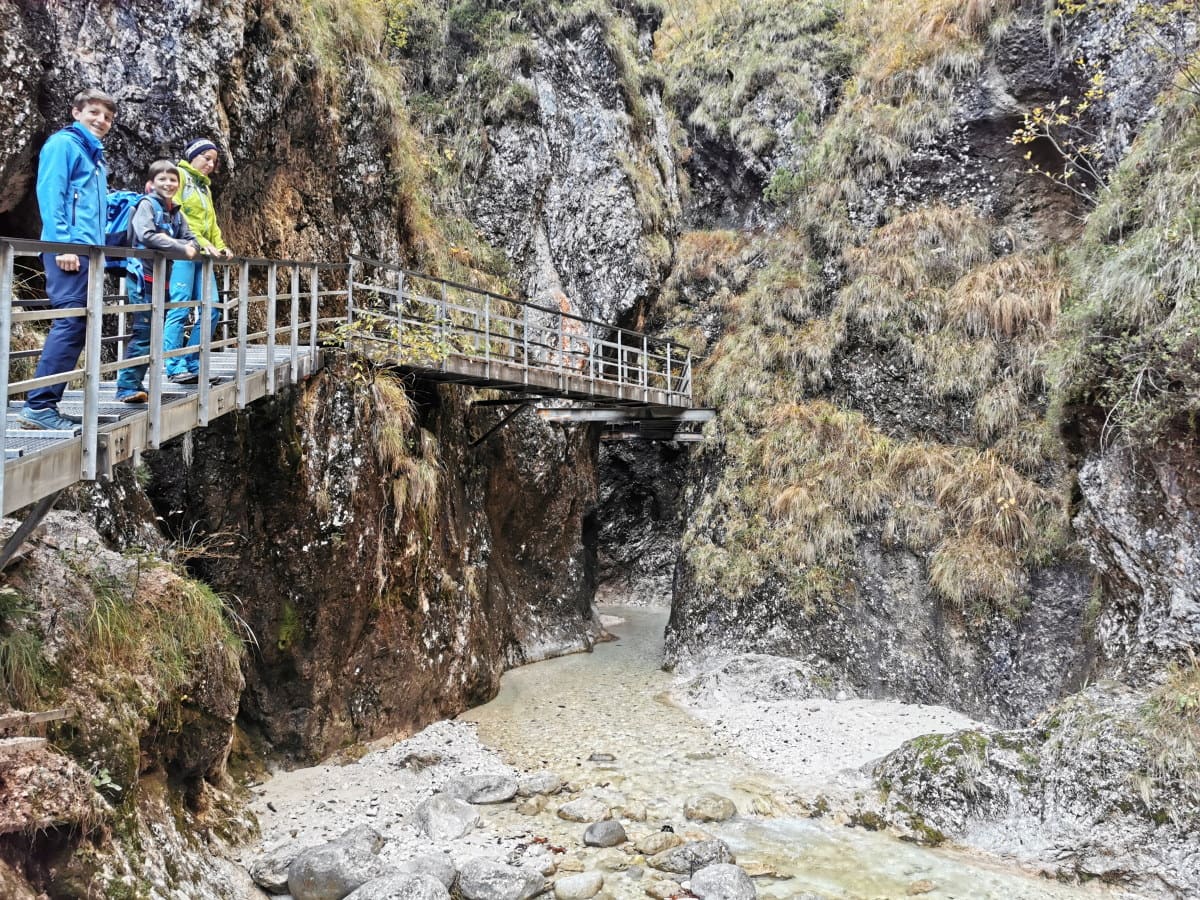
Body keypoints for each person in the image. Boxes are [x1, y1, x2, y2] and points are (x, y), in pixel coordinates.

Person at [20, 88, 116, 430]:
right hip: (70, 253)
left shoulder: (93, 156)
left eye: (107, 117)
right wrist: (63, 246)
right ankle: (39, 406)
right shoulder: (63, 145)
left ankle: (46, 404)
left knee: (78, 325)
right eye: (94, 112)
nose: (101, 121)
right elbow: (51, 194)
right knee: (70, 323)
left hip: (87, 252)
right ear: (76, 112)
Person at [115, 160, 199, 403]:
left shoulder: (175, 212)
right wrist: (181, 247)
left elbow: (191, 238)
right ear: (150, 183)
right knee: (143, 331)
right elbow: (146, 235)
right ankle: (126, 386)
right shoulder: (147, 205)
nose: (168, 183)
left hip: (161, 278)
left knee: (152, 332)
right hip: (142, 276)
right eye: (162, 179)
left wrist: (186, 245)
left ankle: (135, 383)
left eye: (173, 179)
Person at [163, 137, 233, 384]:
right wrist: (204, 244)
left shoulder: (205, 187)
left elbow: (211, 222)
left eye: (214, 161)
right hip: (184, 251)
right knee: (181, 308)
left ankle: (193, 361)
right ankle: (174, 366)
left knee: (212, 308)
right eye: (206, 158)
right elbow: (178, 213)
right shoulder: (178, 176)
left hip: (203, 256)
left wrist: (221, 246)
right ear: (193, 155)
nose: (210, 164)